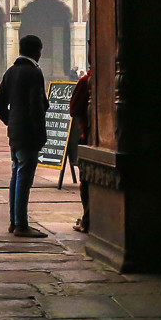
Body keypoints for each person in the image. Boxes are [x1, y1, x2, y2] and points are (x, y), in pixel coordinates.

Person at [0, 34, 49, 238]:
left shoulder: (11, 72)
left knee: (17, 174)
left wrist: (11, 121)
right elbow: (37, 106)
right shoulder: (34, 73)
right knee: (24, 177)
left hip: (15, 132)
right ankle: (21, 225)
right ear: (37, 51)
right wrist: (40, 133)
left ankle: (14, 221)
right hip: (29, 133)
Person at [69, 67, 92, 232]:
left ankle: (88, 220)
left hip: (89, 134)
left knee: (86, 180)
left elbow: (74, 109)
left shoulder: (86, 81)